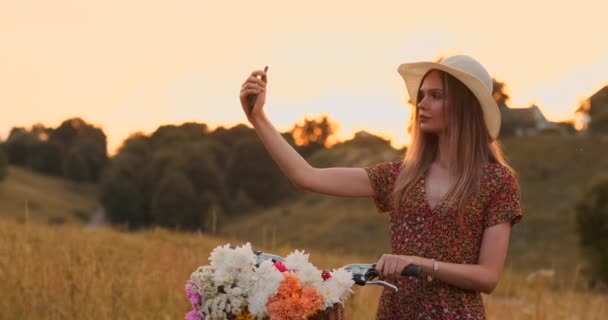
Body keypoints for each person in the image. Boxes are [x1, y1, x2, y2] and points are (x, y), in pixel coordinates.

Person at [238, 55, 523, 319]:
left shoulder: (497, 182)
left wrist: (418, 263)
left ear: (465, 106)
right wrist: (258, 118)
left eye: (435, 96)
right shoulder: (400, 176)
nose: (421, 104)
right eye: (422, 95)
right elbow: (306, 176)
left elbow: (488, 277)